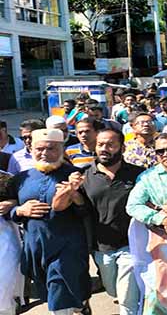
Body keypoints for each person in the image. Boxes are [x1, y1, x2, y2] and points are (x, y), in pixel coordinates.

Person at [6, 129, 91, 315]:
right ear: (31, 148)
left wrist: (74, 195)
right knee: (54, 292)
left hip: (68, 247)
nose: (44, 153)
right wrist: (20, 210)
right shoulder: (22, 178)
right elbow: (8, 208)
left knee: (59, 296)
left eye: (51, 148)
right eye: (40, 148)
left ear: (61, 149)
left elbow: (88, 211)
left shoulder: (75, 175)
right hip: (35, 247)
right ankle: (80, 305)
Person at [80, 129, 143, 315]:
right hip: (101, 248)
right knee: (113, 290)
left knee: (126, 299)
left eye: (110, 145)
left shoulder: (139, 175)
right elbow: (80, 211)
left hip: (131, 245)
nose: (104, 149)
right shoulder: (84, 177)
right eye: (100, 144)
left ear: (122, 148)